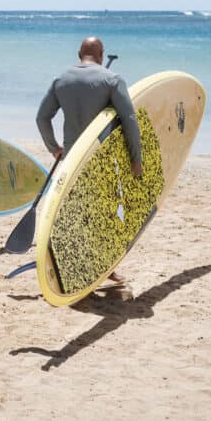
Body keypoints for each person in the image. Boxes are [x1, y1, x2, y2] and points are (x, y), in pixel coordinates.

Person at [36, 36, 143, 285]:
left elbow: (42, 118)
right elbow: (129, 119)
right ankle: (105, 269)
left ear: (78, 54)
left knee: (78, 213)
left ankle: (75, 268)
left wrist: (55, 149)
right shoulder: (111, 80)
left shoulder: (61, 80)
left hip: (72, 161)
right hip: (101, 159)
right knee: (105, 214)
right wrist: (135, 158)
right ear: (102, 53)